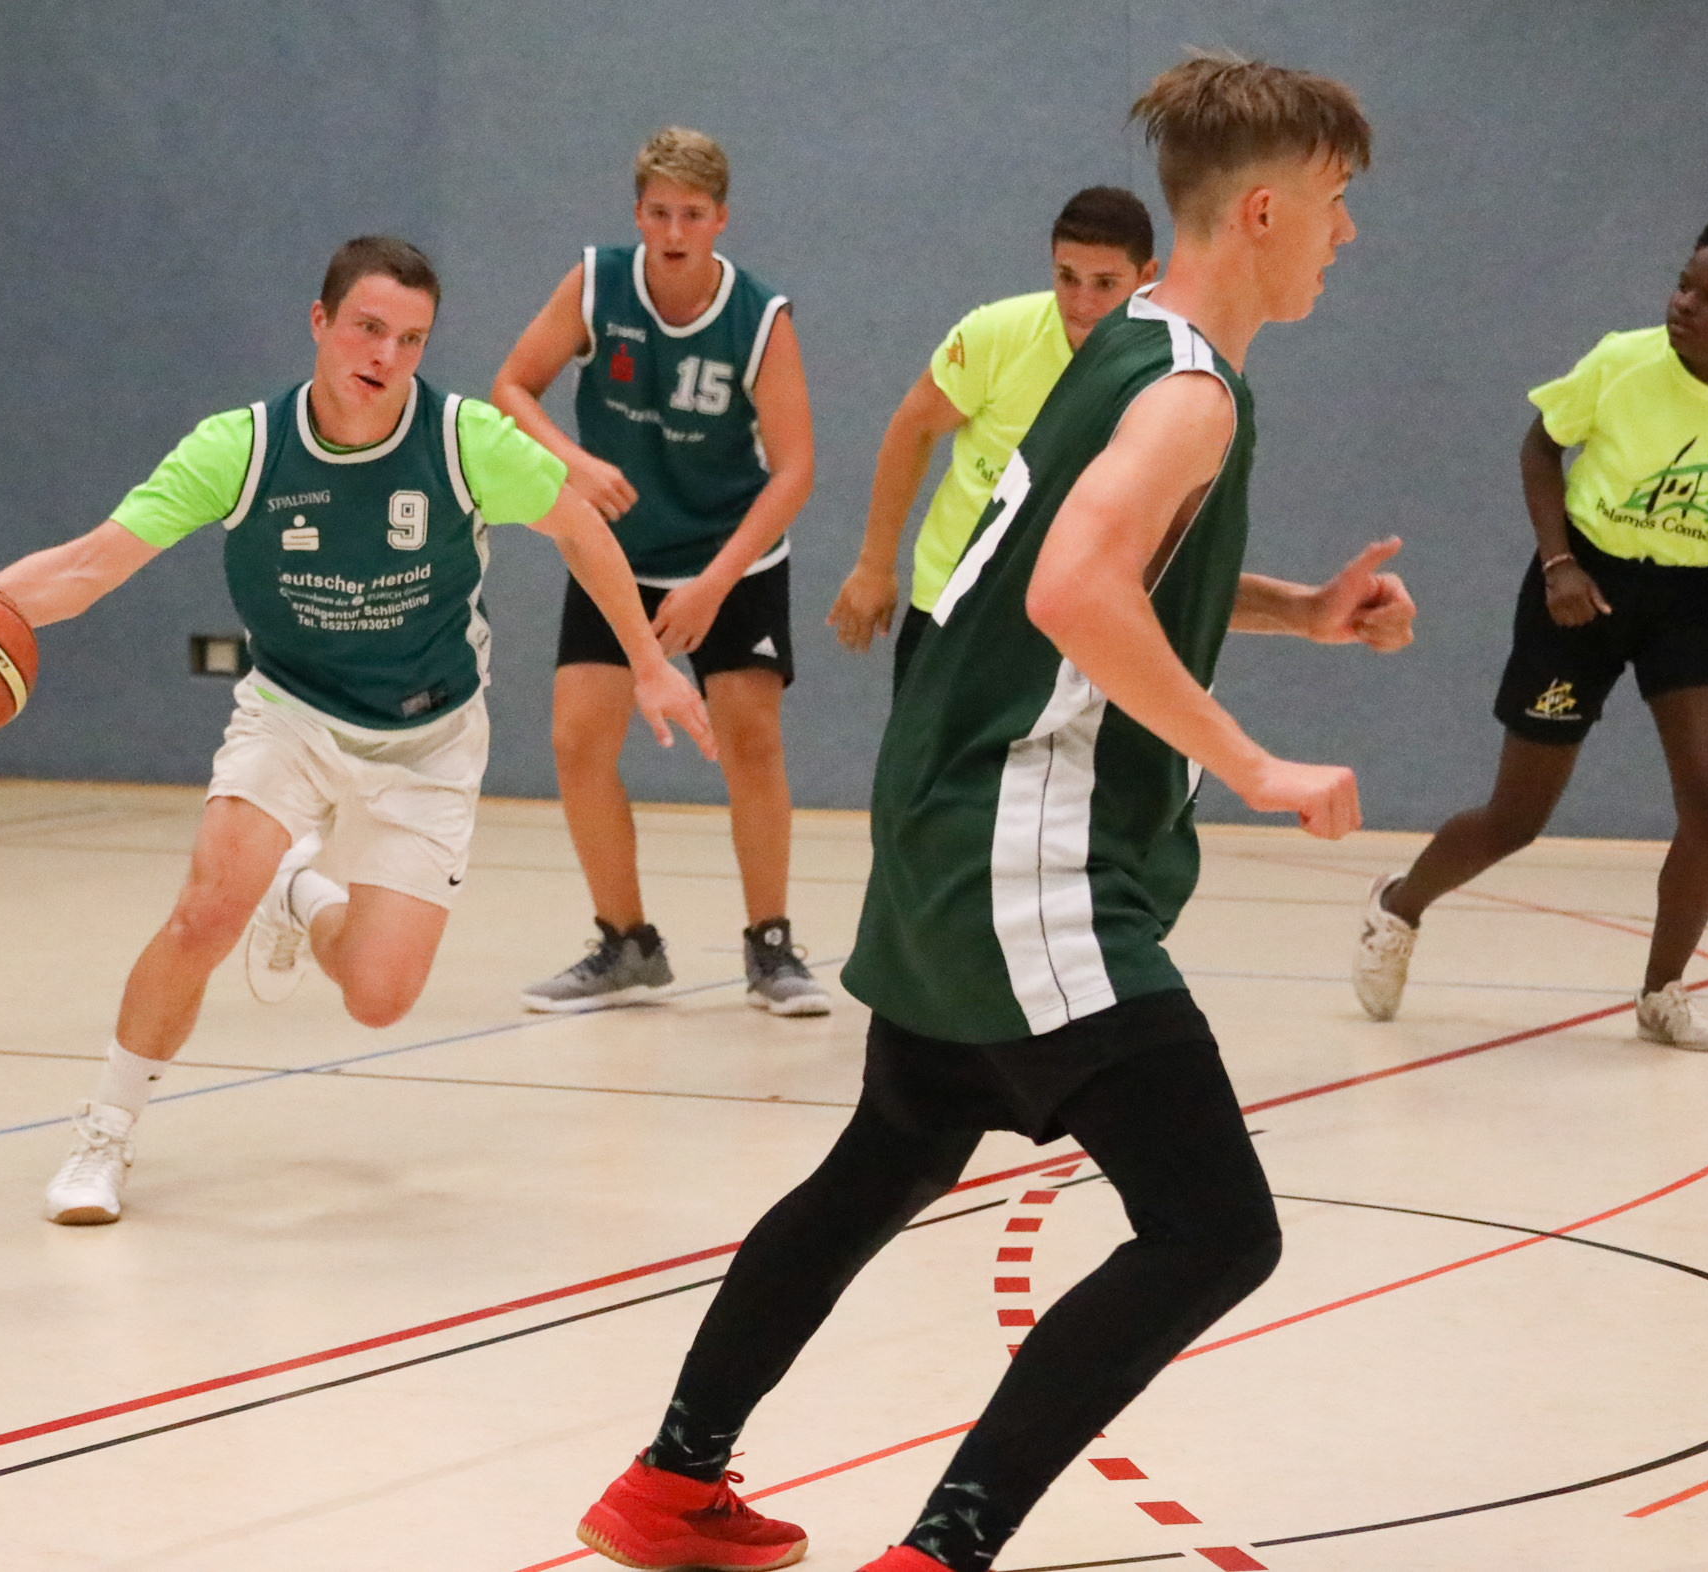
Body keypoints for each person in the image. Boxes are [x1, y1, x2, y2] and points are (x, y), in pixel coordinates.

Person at [568, 56, 1411, 1572]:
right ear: (1264, 211)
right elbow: (1072, 589)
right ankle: (942, 1548)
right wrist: (1253, 763)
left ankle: (670, 1482)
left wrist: (1298, 610)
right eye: (1336, 203)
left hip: (947, 819)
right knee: (1215, 1230)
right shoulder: (1187, 392)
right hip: (1029, 847)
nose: (1345, 234)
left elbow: (1086, 565)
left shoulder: (1129, 348)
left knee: (886, 1159)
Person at [0, 236, 713, 1226]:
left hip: (430, 735)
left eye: (411, 339)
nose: (386, 355)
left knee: (378, 996)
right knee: (205, 911)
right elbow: (86, 566)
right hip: (292, 713)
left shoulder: (464, 441)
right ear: (319, 323)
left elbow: (580, 527)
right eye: (367, 327)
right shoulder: (242, 448)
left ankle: (298, 891)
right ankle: (105, 1131)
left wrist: (650, 664)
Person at [1354, 218, 1708, 1051]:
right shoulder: (1621, 361)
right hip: (1584, 586)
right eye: (1684, 284)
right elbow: (1541, 449)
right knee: (1516, 817)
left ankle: (1662, 994)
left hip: (1688, 599)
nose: (1685, 304)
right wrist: (1559, 563)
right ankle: (1400, 904)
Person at [490, 128, 826, 1015]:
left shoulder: (760, 316)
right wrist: (571, 462)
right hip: (618, 555)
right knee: (577, 743)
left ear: (721, 219)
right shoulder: (596, 284)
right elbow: (511, 388)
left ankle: (771, 947)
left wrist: (714, 584)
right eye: (660, 213)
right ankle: (627, 943)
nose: (675, 231)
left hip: (731, 554)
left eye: (693, 214)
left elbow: (795, 469)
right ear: (638, 214)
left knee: (750, 743)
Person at [829, 188, 1160, 681]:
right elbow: (913, 429)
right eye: (1067, 277)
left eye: (1105, 284)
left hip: (1075, 627)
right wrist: (874, 565)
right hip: (953, 605)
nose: (1082, 302)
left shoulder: (1167, 372)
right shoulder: (996, 334)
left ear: (1146, 276)